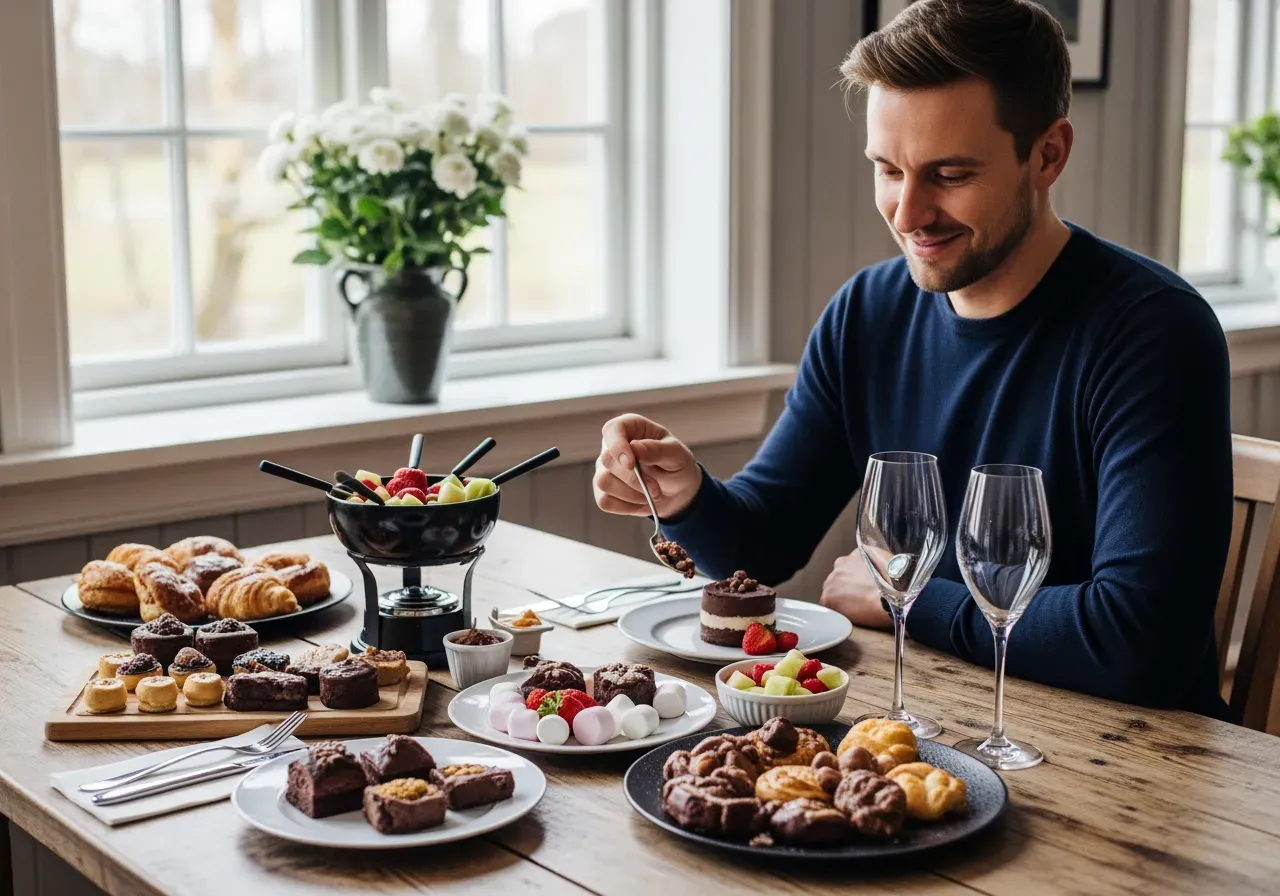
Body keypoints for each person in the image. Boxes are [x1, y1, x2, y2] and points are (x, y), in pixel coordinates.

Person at [592, 0, 1232, 718]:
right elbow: (764, 544)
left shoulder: (1154, 331)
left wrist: (909, 596)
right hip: (934, 716)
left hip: (1133, 752)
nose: (906, 213)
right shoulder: (868, 312)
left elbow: (1142, 642)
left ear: (1048, 155)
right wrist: (686, 496)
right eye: (888, 169)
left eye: (949, 175)